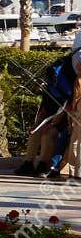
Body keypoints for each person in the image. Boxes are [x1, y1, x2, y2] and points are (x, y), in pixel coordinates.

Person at [18, 46, 81, 178]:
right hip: (60, 109)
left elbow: (67, 108)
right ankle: (28, 162)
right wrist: (40, 123)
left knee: (49, 134)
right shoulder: (62, 78)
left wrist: (53, 123)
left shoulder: (69, 77)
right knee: (35, 132)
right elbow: (46, 108)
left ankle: (44, 164)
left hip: (65, 115)